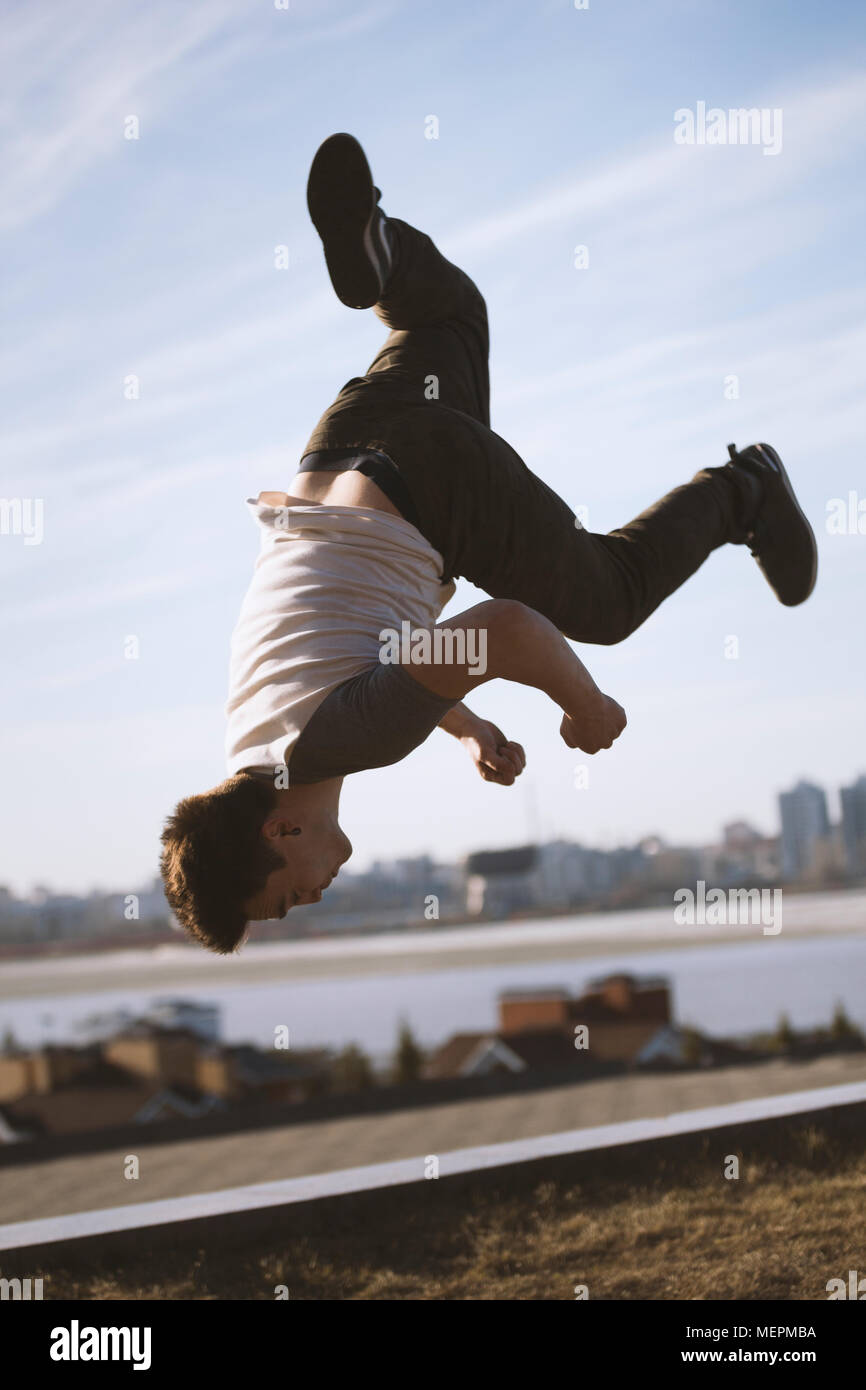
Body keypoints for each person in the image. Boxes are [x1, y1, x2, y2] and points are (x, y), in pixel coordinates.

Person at [160, 133, 817, 954]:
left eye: (286, 901)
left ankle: (742, 491)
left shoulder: (350, 741)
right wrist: (466, 728)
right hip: (341, 446)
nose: (312, 900)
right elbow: (372, 655)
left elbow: (501, 629)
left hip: (431, 490)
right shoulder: (255, 742)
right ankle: (383, 251)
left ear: (280, 835)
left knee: (607, 602)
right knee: (450, 315)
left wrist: (586, 706)